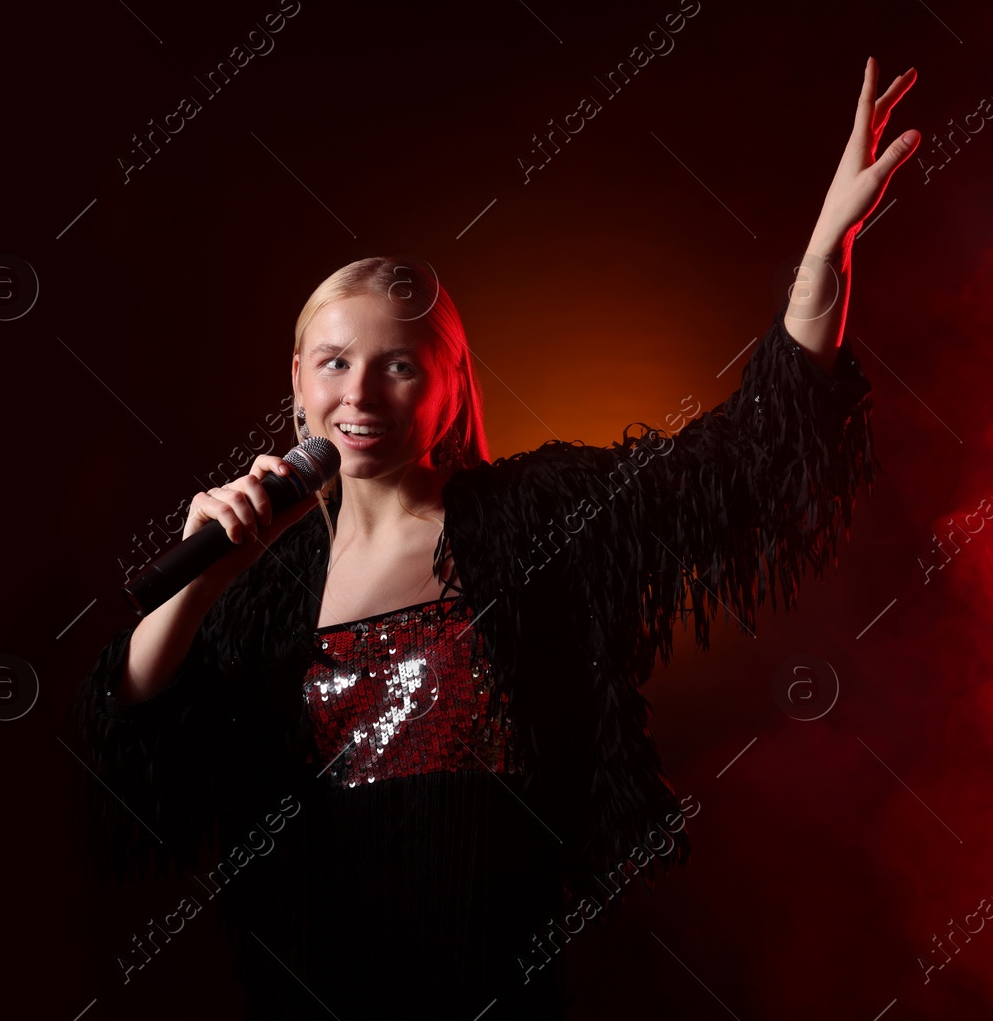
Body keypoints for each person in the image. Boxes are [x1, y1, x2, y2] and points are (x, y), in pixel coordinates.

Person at [70, 57, 918, 1019]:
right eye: (336, 362)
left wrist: (819, 262)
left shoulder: (536, 518)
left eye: (398, 364)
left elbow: (737, 465)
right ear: (299, 379)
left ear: (447, 386)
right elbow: (135, 743)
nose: (360, 393)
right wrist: (203, 574)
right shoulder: (269, 581)